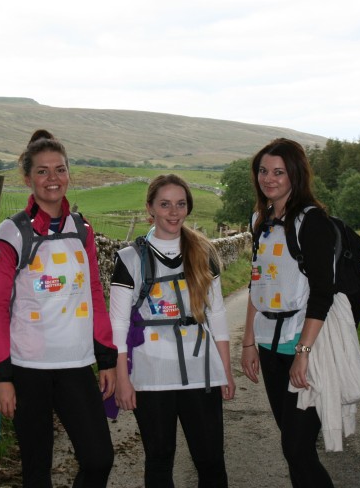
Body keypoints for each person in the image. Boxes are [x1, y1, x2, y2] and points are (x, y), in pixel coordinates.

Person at [0, 129, 117, 488]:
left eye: (60, 169)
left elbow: (93, 293)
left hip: (76, 365)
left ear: (69, 173)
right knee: (37, 470)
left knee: (99, 459)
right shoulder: (11, 233)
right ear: (27, 178)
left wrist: (106, 359)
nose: (53, 179)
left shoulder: (81, 229)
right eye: (42, 171)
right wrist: (2, 376)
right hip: (29, 369)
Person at [110, 174, 235, 488]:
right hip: (151, 373)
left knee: (211, 461)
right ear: (150, 208)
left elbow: (217, 315)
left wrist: (225, 371)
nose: (173, 211)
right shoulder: (129, 259)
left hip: (202, 372)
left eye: (180, 204)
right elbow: (118, 324)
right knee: (160, 458)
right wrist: (122, 380)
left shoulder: (204, 253)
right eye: (164, 204)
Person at [240, 137, 342, 487]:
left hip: (302, 344)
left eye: (278, 172)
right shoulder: (260, 219)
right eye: (263, 171)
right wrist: (248, 342)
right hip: (269, 346)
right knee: (293, 447)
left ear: (295, 175)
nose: (269, 178)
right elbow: (257, 284)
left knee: (297, 447)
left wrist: (303, 352)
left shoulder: (311, 221)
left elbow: (322, 294)